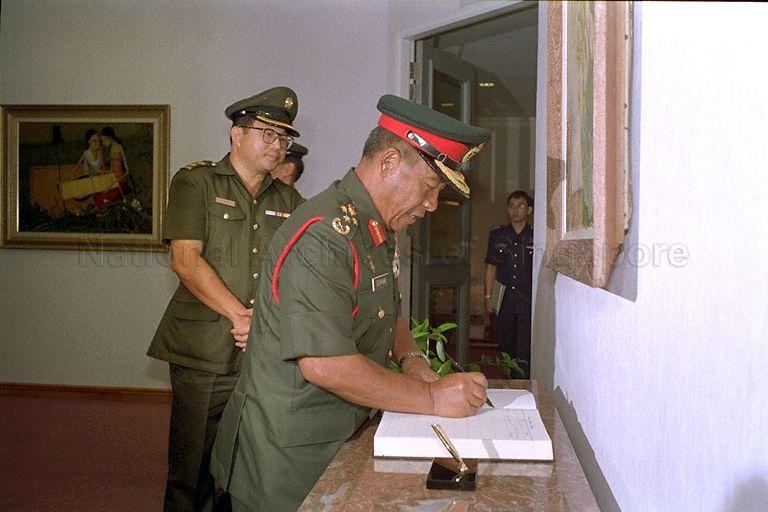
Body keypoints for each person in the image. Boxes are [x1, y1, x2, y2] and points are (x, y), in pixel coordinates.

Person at [210, 94, 491, 512]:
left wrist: (412, 358)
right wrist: (432, 400)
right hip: (289, 458)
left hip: (341, 432)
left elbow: (386, 306)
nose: (432, 205)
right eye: (430, 188)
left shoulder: (373, 224)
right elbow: (326, 364)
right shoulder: (324, 236)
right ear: (390, 163)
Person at [147, 86, 304, 512]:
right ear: (236, 134)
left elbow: (300, 272)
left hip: (261, 357)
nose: (277, 145)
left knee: (250, 466)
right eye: (267, 134)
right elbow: (184, 258)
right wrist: (240, 315)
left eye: (284, 138)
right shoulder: (195, 182)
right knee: (192, 470)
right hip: (204, 354)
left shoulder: (289, 200)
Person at [483, 191, 534, 376]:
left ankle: (522, 385)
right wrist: (488, 296)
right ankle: (509, 382)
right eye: (511, 205)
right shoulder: (498, 235)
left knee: (524, 348)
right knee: (505, 345)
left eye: (521, 206)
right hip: (505, 299)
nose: (515, 210)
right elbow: (491, 267)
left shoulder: (535, 237)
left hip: (527, 299)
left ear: (529, 210)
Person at [94, 126, 130, 206]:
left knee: (105, 197)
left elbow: (127, 171)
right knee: (97, 195)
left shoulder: (119, 147)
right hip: (113, 180)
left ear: (109, 138)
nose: (103, 143)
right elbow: (111, 170)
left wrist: (110, 185)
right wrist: (103, 173)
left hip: (120, 180)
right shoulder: (111, 149)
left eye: (104, 140)